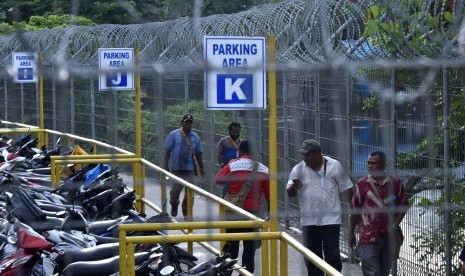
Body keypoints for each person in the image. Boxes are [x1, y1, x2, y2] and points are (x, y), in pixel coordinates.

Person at [286, 139, 353, 276]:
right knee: (312, 258)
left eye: (308, 155)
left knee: (332, 256)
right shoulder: (298, 169)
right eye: (303, 155)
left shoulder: (334, 166)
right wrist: (293, 186)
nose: (305, 158)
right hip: (309, 220)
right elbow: (290, 193)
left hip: (331, 220)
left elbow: (347, 189)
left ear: (318, 153)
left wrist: (354, 209)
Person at [348, 151, 409, 276]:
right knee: (372, 272)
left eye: (374, 163)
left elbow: (403, 205)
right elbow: (354, 210)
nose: (370, 166)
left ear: (383, 165)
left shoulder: (395, 183)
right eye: (368, 163)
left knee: (384, 271)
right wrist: (351, 233)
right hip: (368, 236)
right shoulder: (362, 185)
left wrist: (394, 226)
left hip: (388, 236)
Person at [215, 140, 270, 274]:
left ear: (241, 151)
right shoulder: (264, 169)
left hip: (234, 211)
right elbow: (269, 195)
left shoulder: (234, 164)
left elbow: (218, 180)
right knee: (249, 249)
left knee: (230, 247)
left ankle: (226, 272)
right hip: (252, 213)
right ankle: (246, 273)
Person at [163, 113, 204, 218]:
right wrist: (165, 165)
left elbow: (199, 153)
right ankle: (174, 205)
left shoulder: (195, 137)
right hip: (177, 168)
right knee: (174, 191)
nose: (188, 125)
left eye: (190, 123)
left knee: (190, 193)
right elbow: (167, 150)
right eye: (186, 123)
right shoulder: (174, 134)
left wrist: (201, 168)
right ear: (182, 123)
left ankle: (186, 211)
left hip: (190, 169)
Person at [217, 122, 242, 197]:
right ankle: (223, 203)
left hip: (239, 171)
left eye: (237, 132)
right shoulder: (223, 141)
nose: (235, 134)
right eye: (233, 132)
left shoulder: (242, 143)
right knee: (226, 189)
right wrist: (222, 165)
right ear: (229, 131)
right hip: (228, 170)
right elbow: (219, 154)